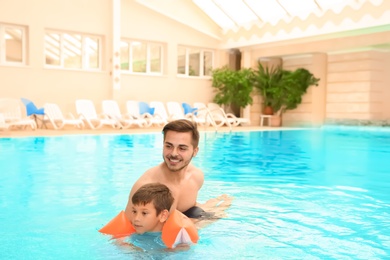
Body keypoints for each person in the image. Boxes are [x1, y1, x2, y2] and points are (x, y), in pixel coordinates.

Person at [125, 119, 207, 220]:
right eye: (169, 146)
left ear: (195, 151)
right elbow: (126, 228)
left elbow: (191, 209)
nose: (173, 154)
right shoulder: (145, 186)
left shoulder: (196, 177)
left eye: (182, 148)